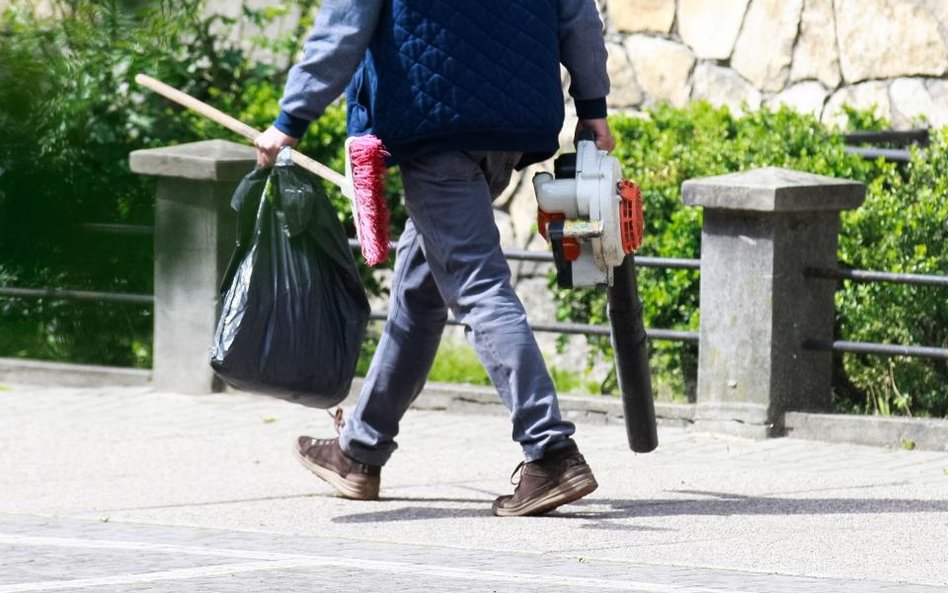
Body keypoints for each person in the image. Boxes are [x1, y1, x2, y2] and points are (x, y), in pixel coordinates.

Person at [255, 0, 614, 517]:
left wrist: (290, 119)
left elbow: (342, 29)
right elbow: (577, 15)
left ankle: (551, 450)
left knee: (477, 285)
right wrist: (593, 106)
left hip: (434, 121)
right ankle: (359, 451)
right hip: (511, 123)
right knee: (421, 289)